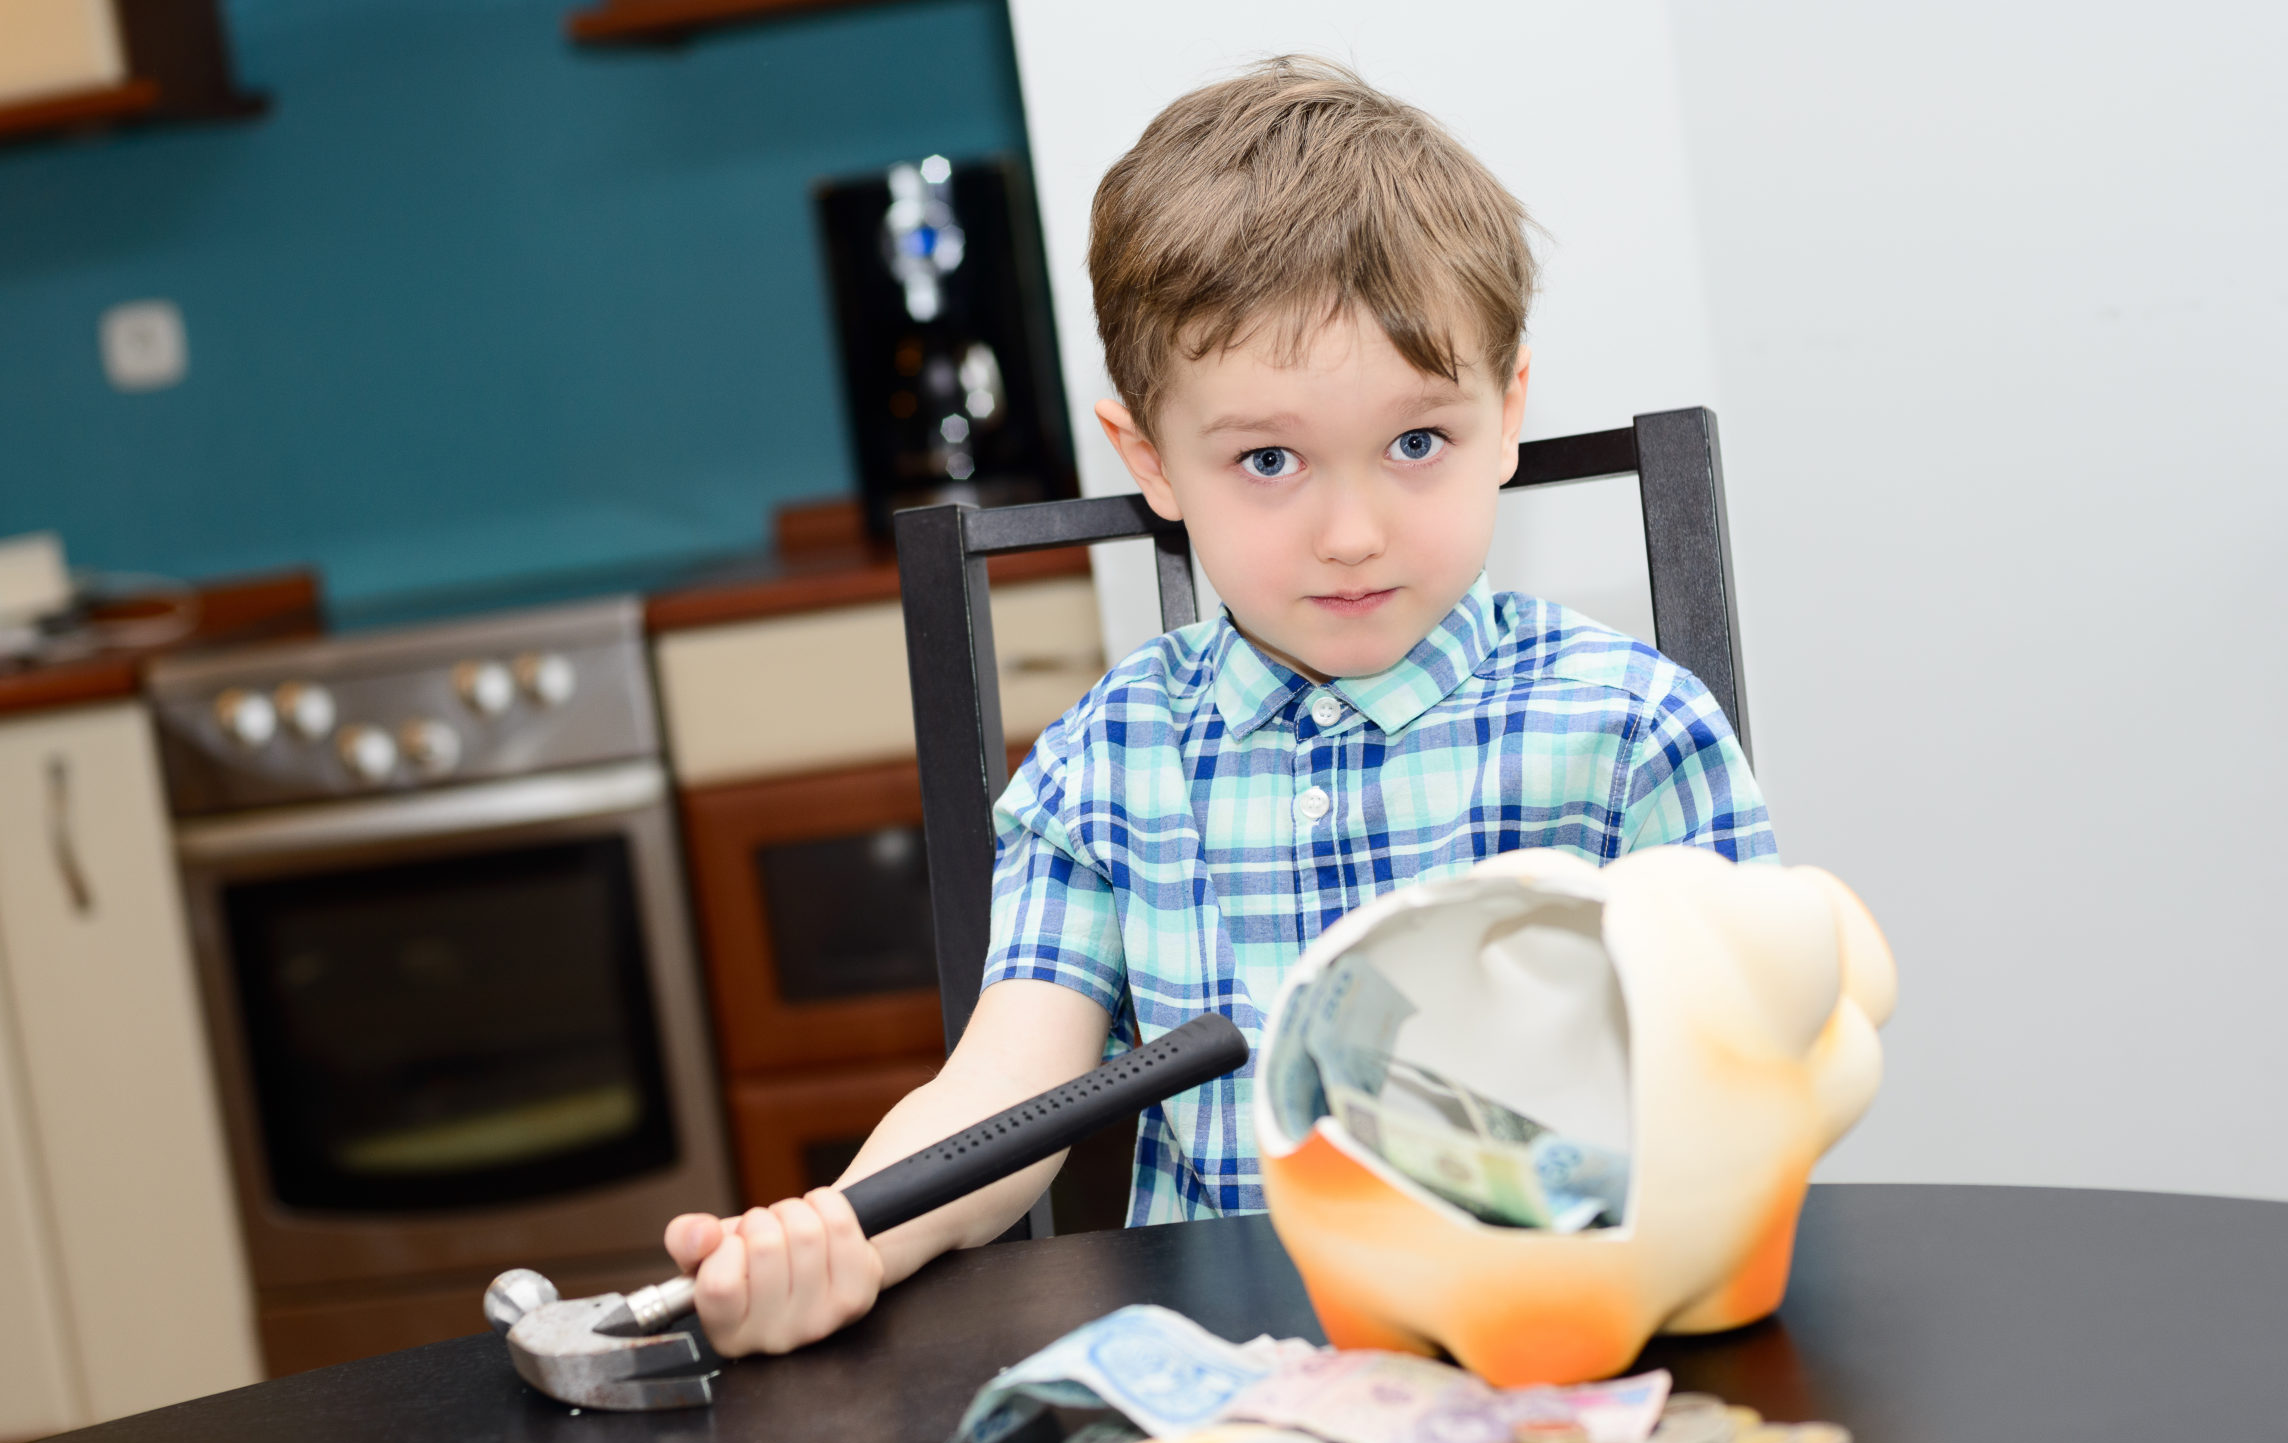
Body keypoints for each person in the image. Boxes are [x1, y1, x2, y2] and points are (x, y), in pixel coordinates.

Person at [663, 58, 1772, 1355]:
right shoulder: (1111, 760)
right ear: (1150, 462)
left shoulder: (1636, 729)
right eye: (1267, 459)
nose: (1352, 532)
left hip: (1571, 1357)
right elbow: (1006, 1095)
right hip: (1231, 1395)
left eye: (1417, 443)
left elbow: (1740, 1091)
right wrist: (844, 1234)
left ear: (1508, 411)